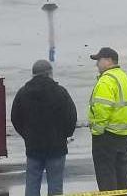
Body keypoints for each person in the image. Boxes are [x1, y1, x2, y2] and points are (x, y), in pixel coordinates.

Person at [11, 60, 77, 195]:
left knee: (32, 184)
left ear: (33, 74)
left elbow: (15, 118)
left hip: (33, 147)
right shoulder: (61, 92)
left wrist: (27, 135)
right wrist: (65, 135)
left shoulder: (23, 93)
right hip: (57, 147)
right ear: (50, 73)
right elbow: (71, 117)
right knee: (55, 185)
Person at [89, 47, 127, 191]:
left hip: (107, 135)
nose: (97, 64)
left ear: (109, 60)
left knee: (106, 176)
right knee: (122, 174)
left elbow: (103, 109)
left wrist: (96, 131)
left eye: (99, 60)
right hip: (124, 135)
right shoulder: (125, 77)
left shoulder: (107, 80)